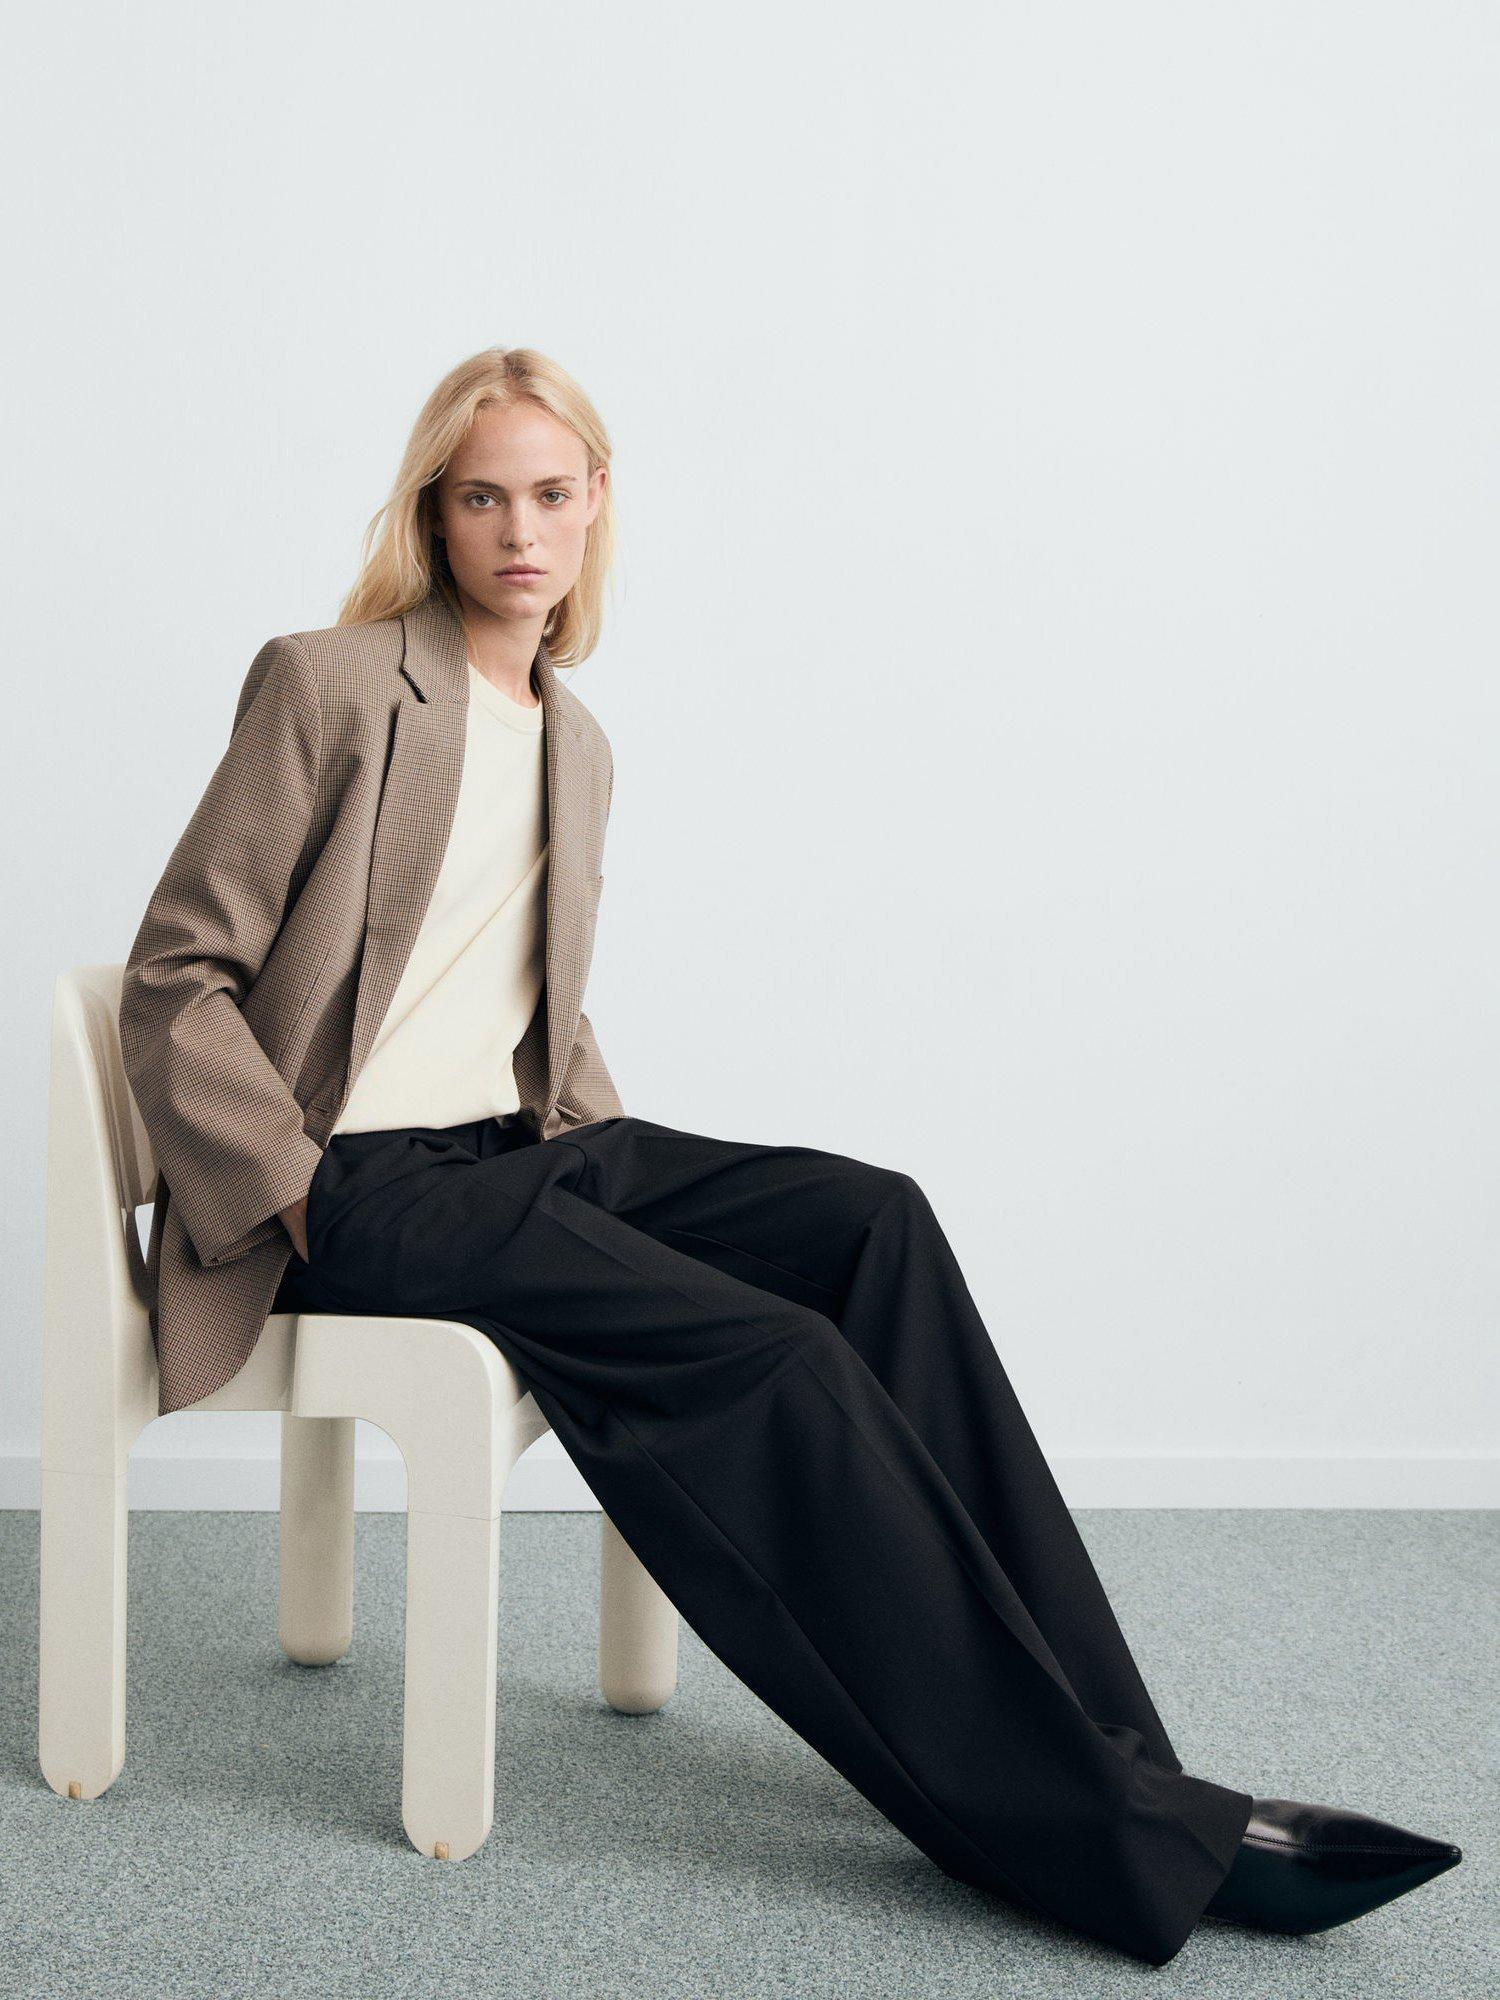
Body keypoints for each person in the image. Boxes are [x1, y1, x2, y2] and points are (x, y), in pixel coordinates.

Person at [118, 345, 1462, 1968]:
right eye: (482, 499)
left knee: (874, 1223)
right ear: (434, 512)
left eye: (550, 495)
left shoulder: (576, 737)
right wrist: (291, 1187)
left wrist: (609, 1178)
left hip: (526, 1154)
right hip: (360, 1186)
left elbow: (523, 1004)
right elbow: (177, 974)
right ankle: (1101, 1832)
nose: (520, 532)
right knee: (780, 1359)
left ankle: (1136, 1766)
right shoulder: (329, 685)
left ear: (596, 503)